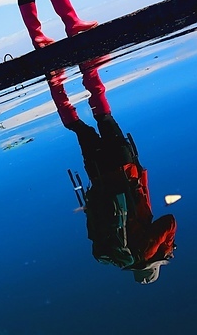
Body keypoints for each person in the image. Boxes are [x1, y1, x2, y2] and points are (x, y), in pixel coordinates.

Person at [48, 59, 177, 284]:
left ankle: (88, 69)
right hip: (99, 177)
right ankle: (54, 81)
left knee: (104, 118)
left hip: (125, 172)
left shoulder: (145, 252)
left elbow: (169, 222)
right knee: (79, 128)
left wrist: (166, 248)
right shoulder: (114, 254)